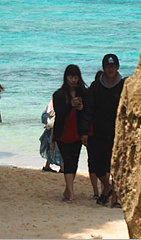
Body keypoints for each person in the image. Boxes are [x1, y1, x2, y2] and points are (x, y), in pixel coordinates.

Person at [87, 53, 126, 207]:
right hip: (98, 132)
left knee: (116, 166)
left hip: (118, 133)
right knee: (97, 166)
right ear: (103, 68)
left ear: (117, 67)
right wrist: (84, 131)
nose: (110, 69)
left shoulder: (124, 86)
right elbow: (88, 110)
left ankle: (114, 198)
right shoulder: (96, 86)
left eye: (113, 66)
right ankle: (107, 188)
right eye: (108, 66)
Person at [52, 64, 90, 202]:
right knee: (67, 160)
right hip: (63, 132)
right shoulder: (59, 95)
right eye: (70, 76)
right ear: (65, 77)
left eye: (75, 77)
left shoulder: (84, 93)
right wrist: (70, 106)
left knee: (74, 161)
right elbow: (59, 113)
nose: (73, 80)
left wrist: (81, 107)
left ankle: (68, 190)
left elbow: (87, 113)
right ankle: (71, 193)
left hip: (77, 132)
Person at [39, 99, 62, 172]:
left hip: (50, 127)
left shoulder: (52, 103)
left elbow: (44, 117)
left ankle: (47, 166)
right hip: (56, 128)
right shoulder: (60, 102)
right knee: (58, 147)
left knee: (50, 147)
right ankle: (62, 167)